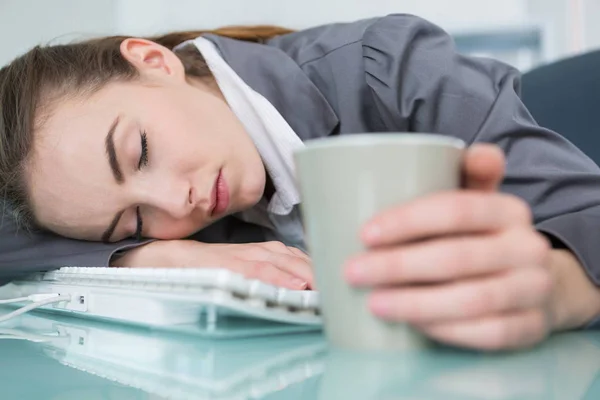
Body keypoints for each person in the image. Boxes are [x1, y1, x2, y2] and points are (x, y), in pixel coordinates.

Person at [2, 13, 600, 351]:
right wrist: (157, 257)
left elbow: (587, 212)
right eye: (132, 220)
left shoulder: (385, 66)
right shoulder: (173, 227)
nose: (172, 203)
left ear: (153, 62)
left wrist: (556, 288)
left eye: (141, 152)